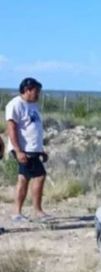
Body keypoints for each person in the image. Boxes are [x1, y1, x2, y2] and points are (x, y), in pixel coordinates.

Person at [5, 77, 49, 222]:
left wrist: (40, 149)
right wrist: (18, 150)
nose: (38, 95)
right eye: (36, 91)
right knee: (39, 176)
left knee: (24, 179)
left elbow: (33, 128)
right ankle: (35, 211)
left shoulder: (33, 106)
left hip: (33, 149)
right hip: (23, 149)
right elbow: (11, 128)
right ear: (27, 90)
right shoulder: (15, 104)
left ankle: (18, 212)